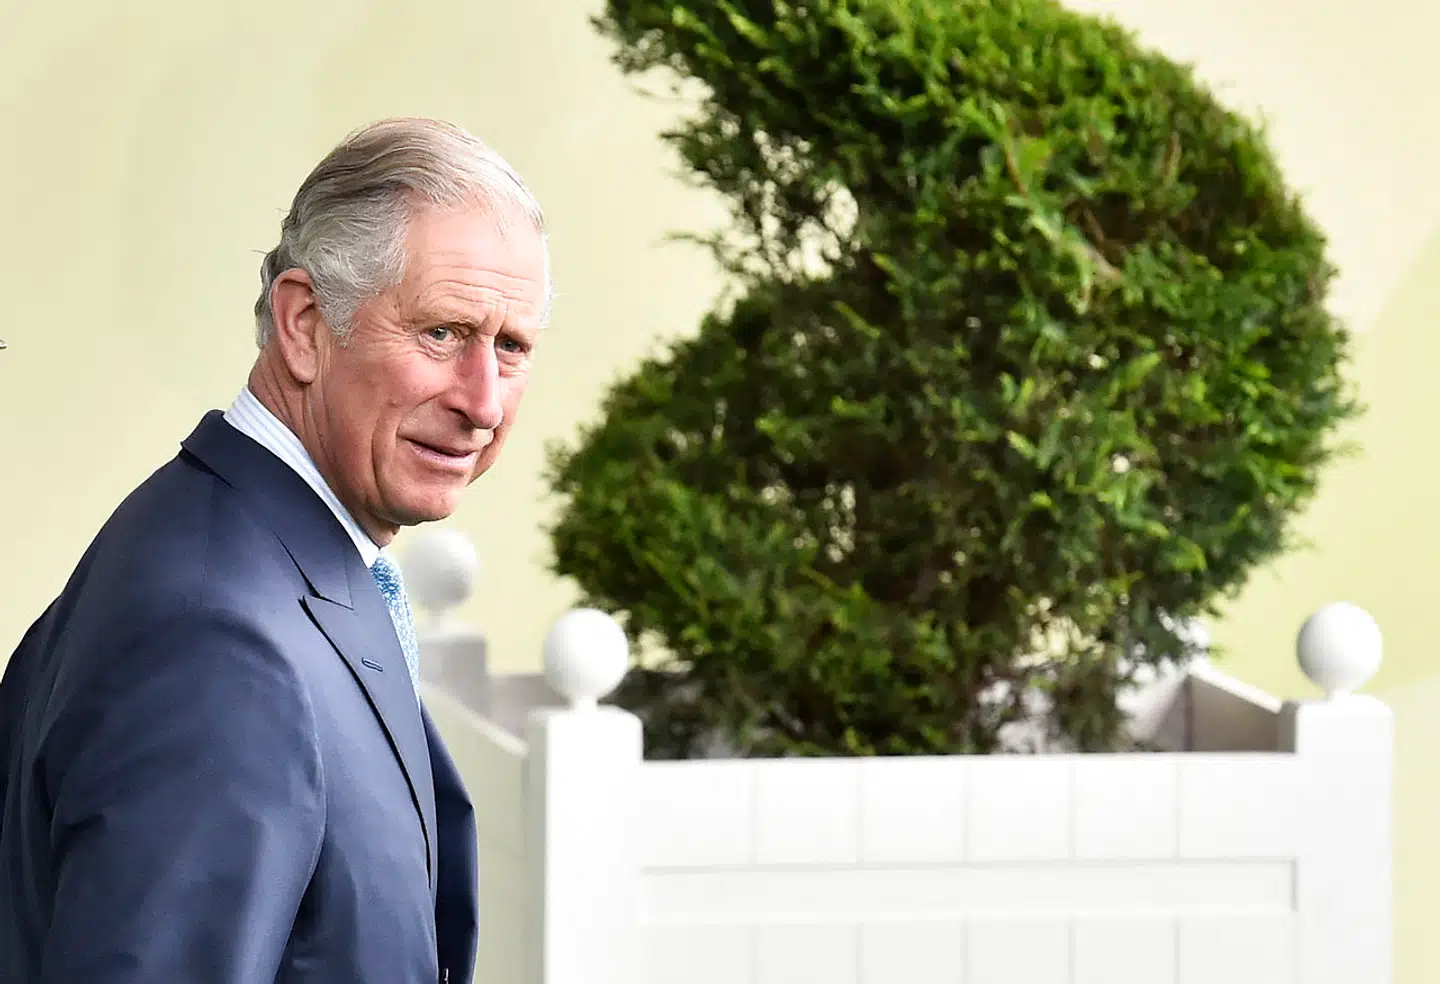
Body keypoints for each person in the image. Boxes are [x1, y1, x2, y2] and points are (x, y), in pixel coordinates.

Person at [0, 117, 550, 983]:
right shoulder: (216, 641)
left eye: (511, 347)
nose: (482, 402)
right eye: (443, 332)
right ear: (302, 324)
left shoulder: (248, 558)